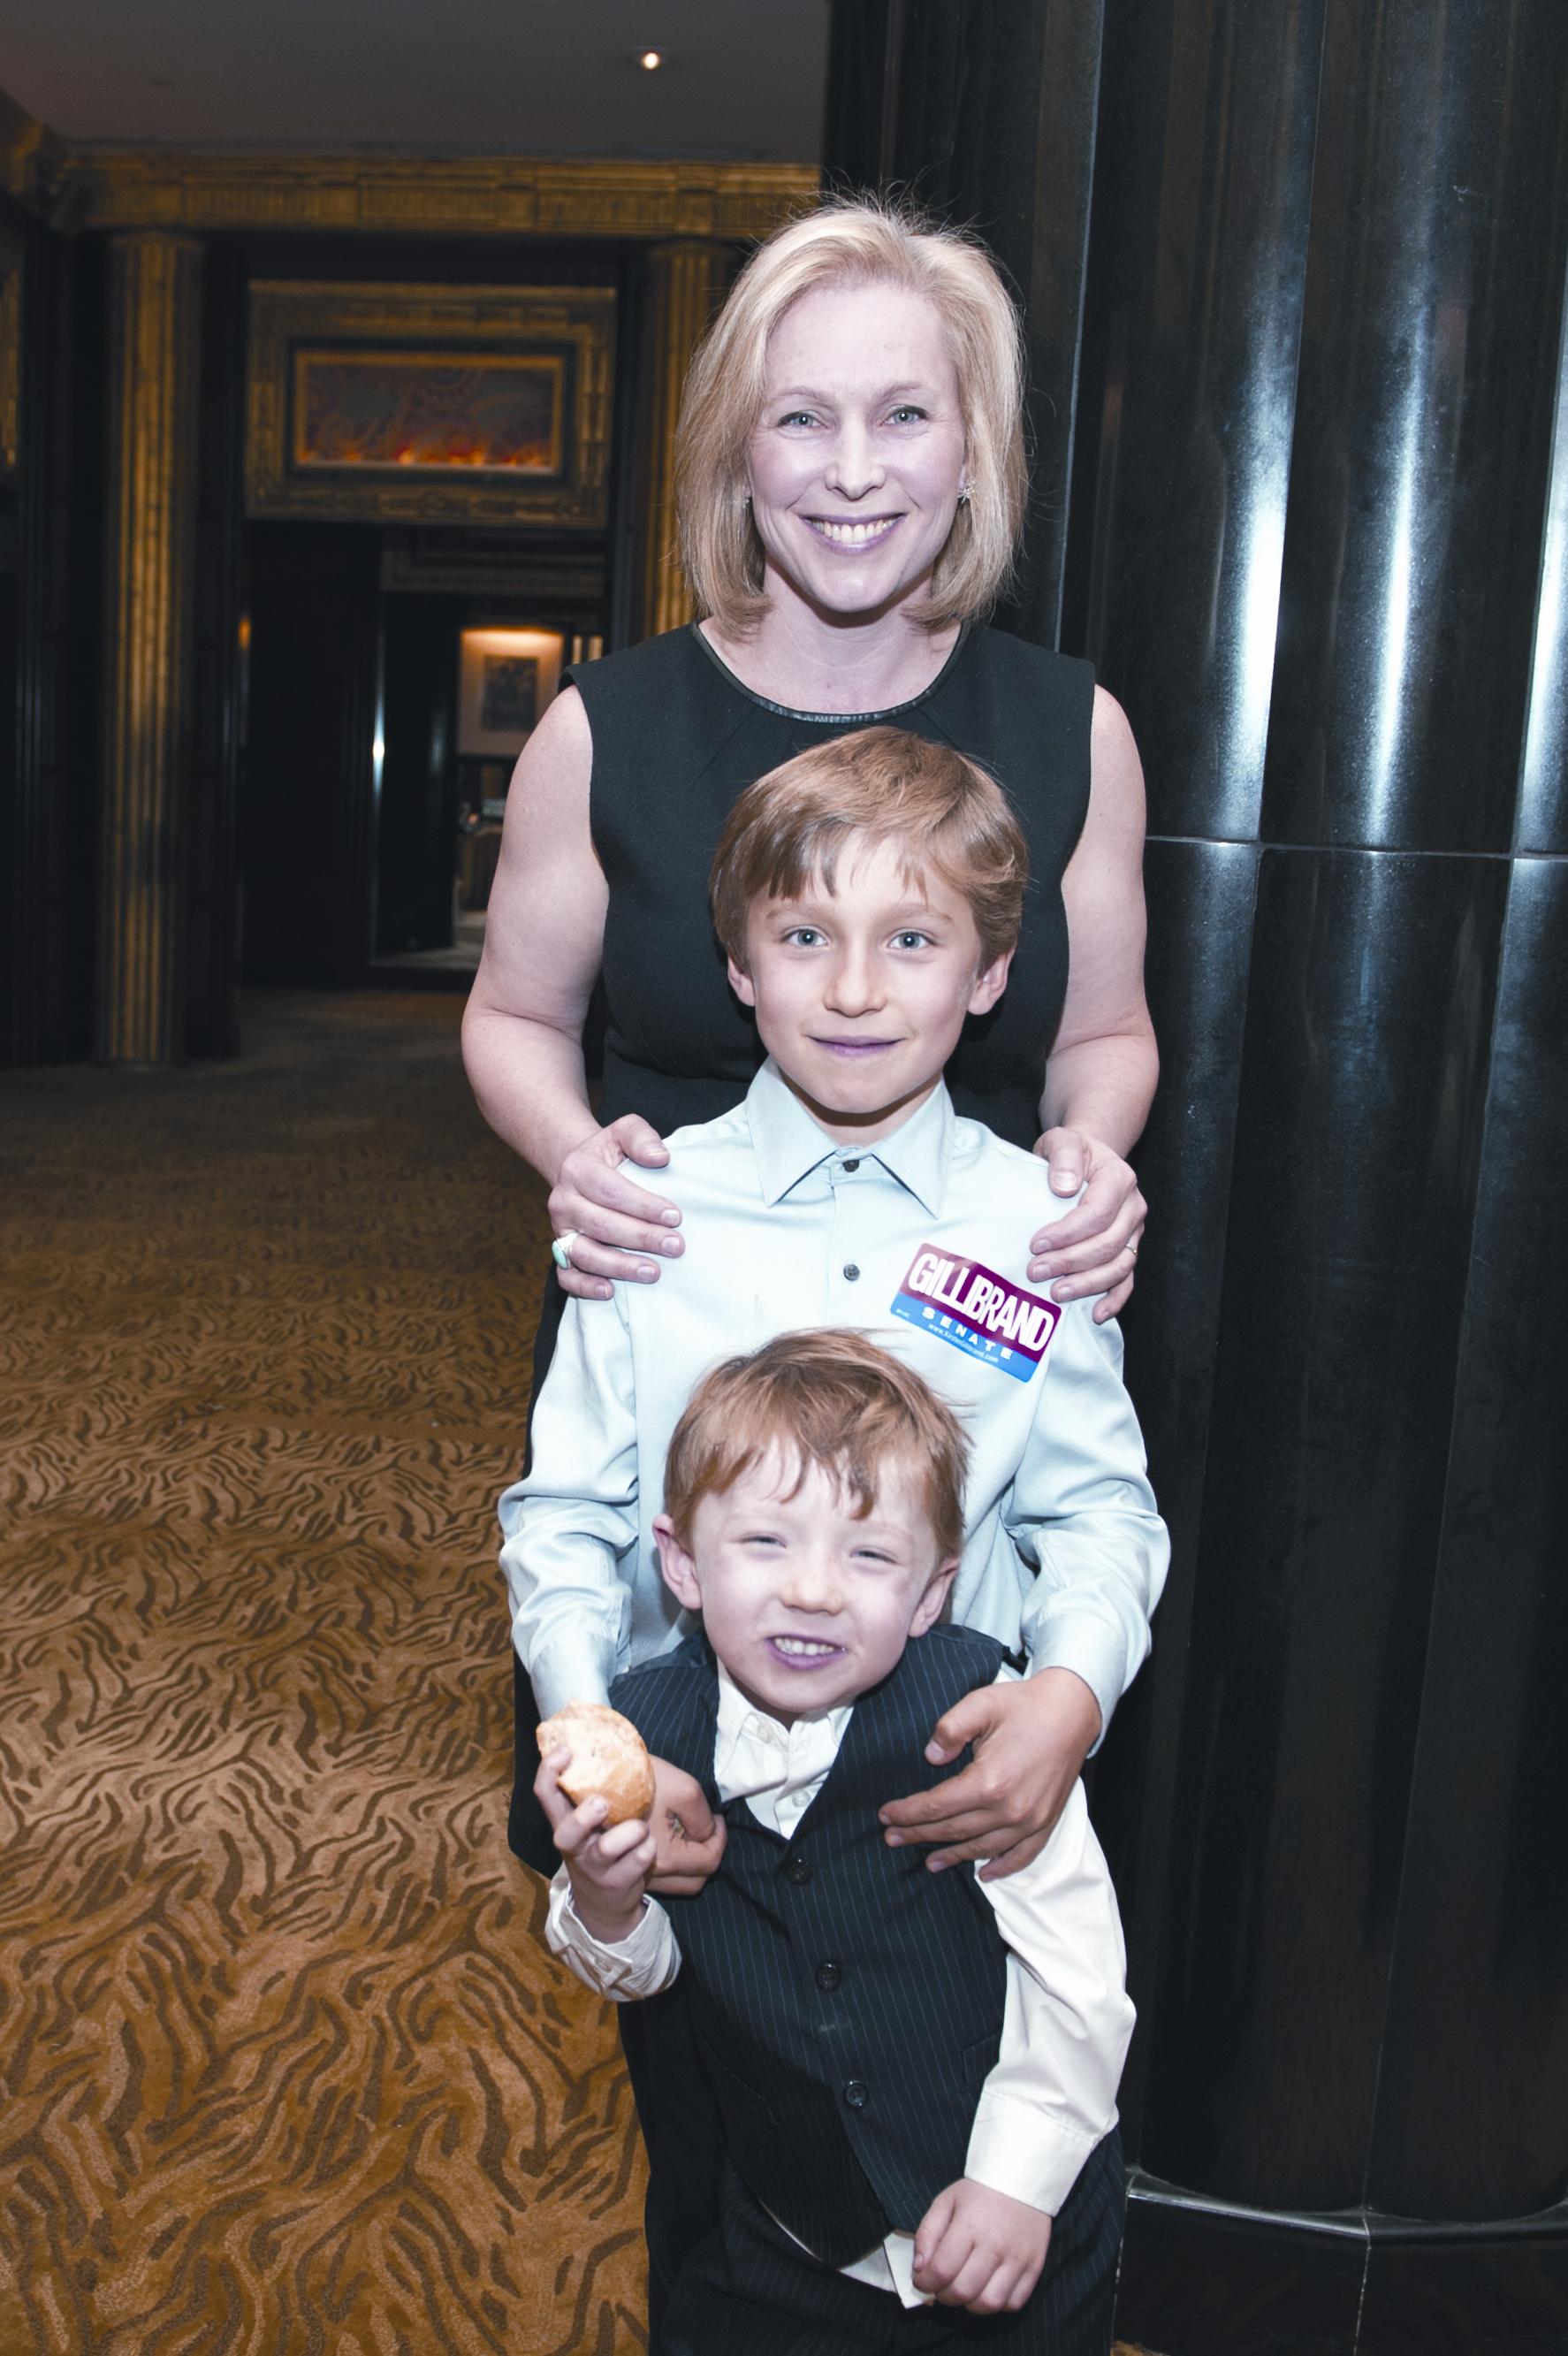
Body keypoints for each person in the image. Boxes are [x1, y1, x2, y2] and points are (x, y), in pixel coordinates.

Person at [461, 193, 1159, 1886]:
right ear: (739, 454)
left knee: (934, 1910)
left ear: (971, 450)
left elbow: (1111, 1032)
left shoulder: (1069, 730)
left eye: (903, 414)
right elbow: (508, 1020)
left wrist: (1089, 1164)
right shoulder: (604, 728)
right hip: (672, 1326)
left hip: (966, 1354)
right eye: (803, 417)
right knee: (648, 1873)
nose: (854, 470)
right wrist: (582, 1168)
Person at [503, 726, 1166, 2344]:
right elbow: (567, 1515)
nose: (855, 989)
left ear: (992, 975)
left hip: (949, 1819)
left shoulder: (1033, 1223)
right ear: (737, 965)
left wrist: (1067, 1699)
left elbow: (1096, 1508)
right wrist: (591, 1724)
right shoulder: (645, 1207)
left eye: (912, 940)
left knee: (998, 2171)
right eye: (803, 937)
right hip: (697, 1827)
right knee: (731, 2200)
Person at [537, 1329, 1136, 2356]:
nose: (813, 1589)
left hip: (1006, 2229)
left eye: (868, 1554)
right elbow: (642, 1974)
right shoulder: (653, 1734)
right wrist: (604, 1897)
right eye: (765, 1542)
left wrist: (1017, 2180)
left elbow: (1077, 1972)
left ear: (933, 1591)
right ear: (679, 1560)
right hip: (787, 2238)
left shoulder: (978, 1726)